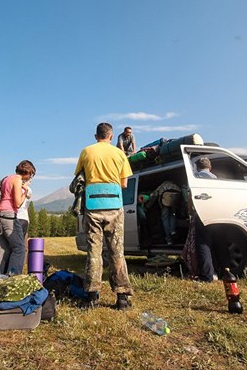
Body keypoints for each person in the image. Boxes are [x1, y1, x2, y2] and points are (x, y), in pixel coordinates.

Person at [75, 122, 134, 310]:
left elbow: (79, 176)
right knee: (117, 251)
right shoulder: (119, 154)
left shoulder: (86, 151)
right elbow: (124, 183)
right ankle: (122, 297)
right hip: (114, 205)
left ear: (96, 136)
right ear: (111, 136)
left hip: (93, 206)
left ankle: (92, 296)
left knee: (94, 251)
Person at [0, 160, 36, 276]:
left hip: (0, 216)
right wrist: (24, 191)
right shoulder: (17, 180)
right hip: (9, 216)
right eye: (31, 174)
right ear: (28, 172)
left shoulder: (6, 178)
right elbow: (18, 203)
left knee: (1, 250)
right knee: (19, 249)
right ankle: (13, 278)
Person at [194, 156, 216, 281]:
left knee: (202, 244)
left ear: (197, 166)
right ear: (210, 166)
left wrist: (190, 212)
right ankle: (222, 270)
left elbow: (191, 196)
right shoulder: (215, 178)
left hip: (202, 214)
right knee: (218, 242)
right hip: (217, 214)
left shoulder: (196, 178)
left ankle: (207, 275)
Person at [145, 181, 182, 246]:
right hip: (174, 199)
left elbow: (154, 195)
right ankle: (173, 231)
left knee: (165, 219)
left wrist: (148, 206)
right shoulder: (175, 185)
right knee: (173, 215)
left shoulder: (162, 186)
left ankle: (168, 239)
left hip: (165, 201)